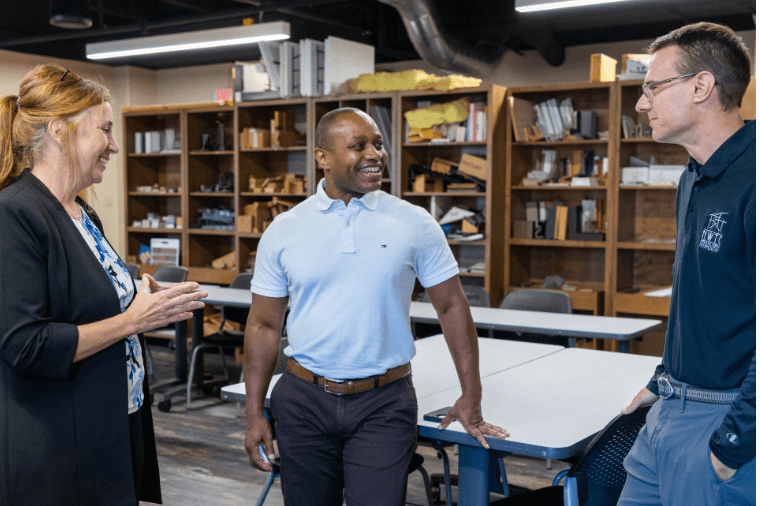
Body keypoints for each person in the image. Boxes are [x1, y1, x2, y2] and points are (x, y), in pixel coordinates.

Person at [242, 107, 508, 505]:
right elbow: (263, 326)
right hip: (302, 401)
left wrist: (472, 393)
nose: (376, 154)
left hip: (384, 403)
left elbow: (452, 307)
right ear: (322, 158)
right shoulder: (285, 229)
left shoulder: (415, 223)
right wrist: (253, 414)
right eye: (358, 146)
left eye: (378, 144)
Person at [0, 63, 208, 505]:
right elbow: (24, 345)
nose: (114, 145)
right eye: (106, 130)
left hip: (115, 420)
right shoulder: (14, 214)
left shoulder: (82, 214)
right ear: (60, 130)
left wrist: (140, 298)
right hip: (59, 447)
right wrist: (132, 320)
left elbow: (88, 302)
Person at [618, 22, 755, 506]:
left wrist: (734, 444)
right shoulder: (691, 177)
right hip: (669, 412)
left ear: (701, 86)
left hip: (720, 423)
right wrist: (663, 380)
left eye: (652, 87)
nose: (641, 103)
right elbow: (705, 295)